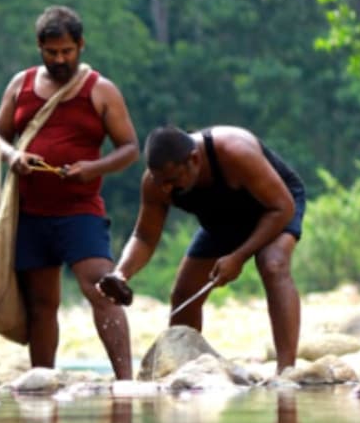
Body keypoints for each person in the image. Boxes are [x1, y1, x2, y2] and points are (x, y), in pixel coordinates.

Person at [0, 5, 139, 379]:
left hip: (80, 210)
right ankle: (42, 380)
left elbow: (129, 149)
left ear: (81, 45)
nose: (60, 59)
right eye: (52, 52)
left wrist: (93, 168)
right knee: (41, 304)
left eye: (67, 52)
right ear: (39, 47)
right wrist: (13, 156)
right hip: (30, 212)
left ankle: (126, 381)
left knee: (102, 288)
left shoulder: (100, 90)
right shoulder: (21, 85)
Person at [110, 125, 306, 371]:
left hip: (274, 206)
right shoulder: (155, 183)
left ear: (194, 160)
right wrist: (121, 274)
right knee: (183, 293)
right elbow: (144, 237)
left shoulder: (235, 151)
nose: (166, 188)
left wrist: (238, 257)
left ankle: (286, 370)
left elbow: (282, 207)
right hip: (221, 220)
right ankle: (183, 369)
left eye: (172, 180)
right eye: (160, 181)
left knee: (272, 264)